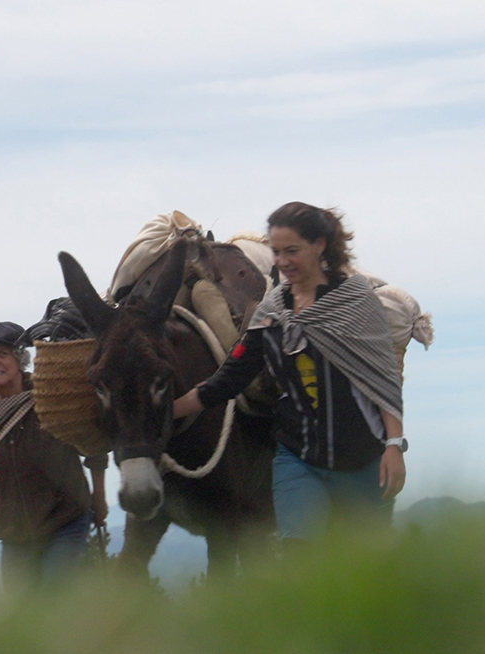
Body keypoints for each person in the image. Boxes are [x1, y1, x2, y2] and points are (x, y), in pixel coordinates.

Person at [169, 202, 406, 544]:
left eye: (292, 251)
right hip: (298, 458)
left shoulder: (355, 301)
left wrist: (394, 446)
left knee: (367, 569)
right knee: (298, 557)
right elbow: (229, 378)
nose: (282, 261)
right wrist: (168, 411)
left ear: (319, 245)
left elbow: (382, 380)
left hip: (364, 460)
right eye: (276, 252)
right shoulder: (272, 311)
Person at [0, 321, 109, 594]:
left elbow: (92, 444)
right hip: (15, 534)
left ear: (20, 358)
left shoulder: (49, 397)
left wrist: (100, 497)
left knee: (53, 603)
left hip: (65, 521)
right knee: (22, 614)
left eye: (2, 353)